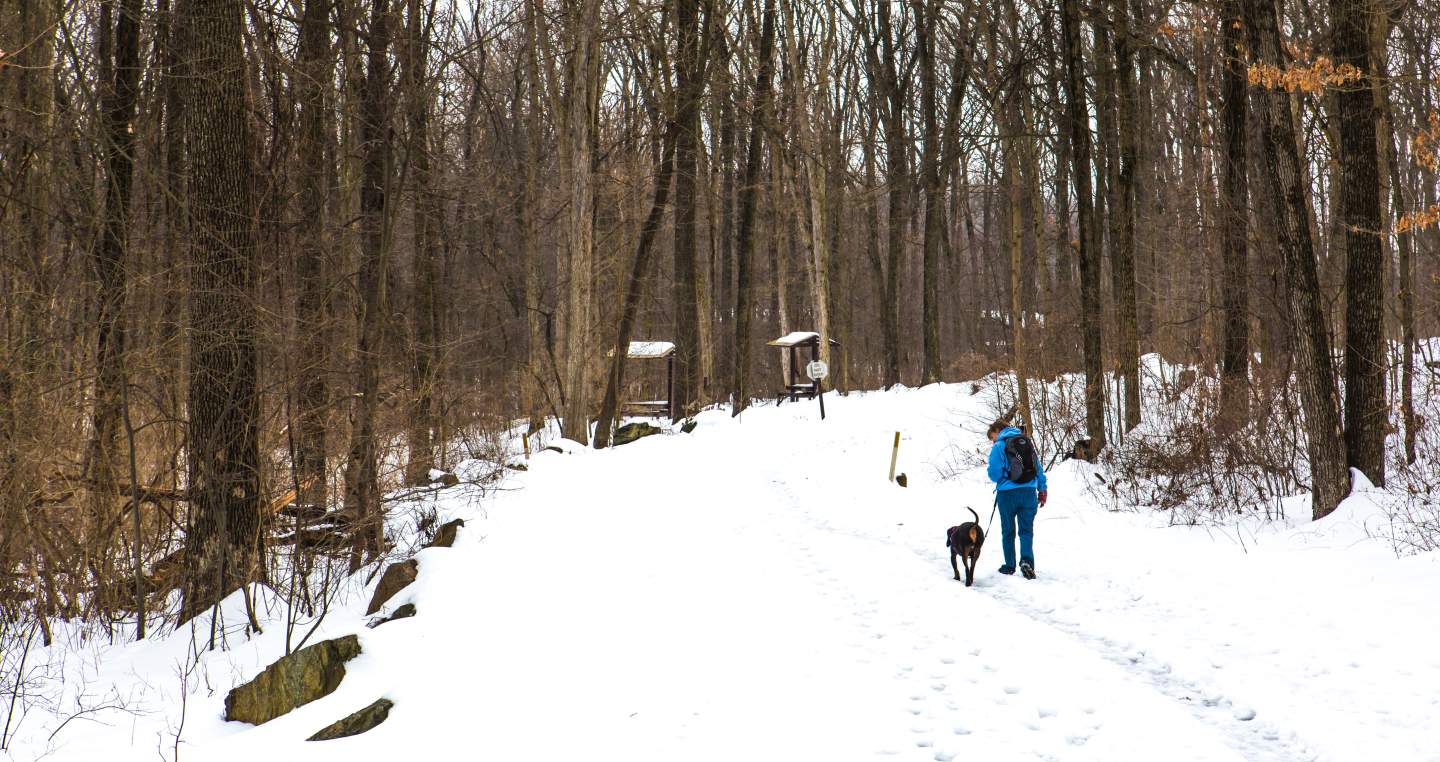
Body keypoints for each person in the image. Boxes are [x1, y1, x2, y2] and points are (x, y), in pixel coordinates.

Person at [986, 420, 1047, 579]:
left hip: (1007, 494)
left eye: (993, 437)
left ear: (998, 430)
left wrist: (1004, 475)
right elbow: (1038, 468)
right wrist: (1042, 489)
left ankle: (1010, 566)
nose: (993, 441)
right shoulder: (1026, 442)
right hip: (1029, 493)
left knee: (1008, 530)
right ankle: (1027, 561)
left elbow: (994, 474)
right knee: (1026, 530)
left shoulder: (999, 446)